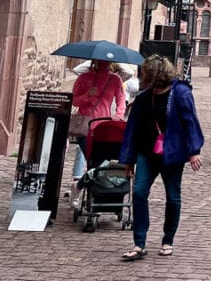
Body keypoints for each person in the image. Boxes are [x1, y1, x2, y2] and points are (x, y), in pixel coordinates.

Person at [119, 55, 203, 260]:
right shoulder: (144, 97)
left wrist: (194, 151)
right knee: (139, 193)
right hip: (146, 152)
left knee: (172, 196)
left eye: (146, 73)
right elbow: (133, 129)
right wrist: (128, 159)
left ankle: (168, 239)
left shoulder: (181, 94)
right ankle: (139, 243)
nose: (142, 76)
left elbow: (190, 121)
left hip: (172, 153)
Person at [70, 60, 126, 207]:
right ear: (95, 62)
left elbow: (121, 100)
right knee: (92, 163)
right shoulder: (84, 78)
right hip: (85, 127)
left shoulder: (115, 79)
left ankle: (85, 190)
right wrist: (87, 95)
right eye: (102, 62)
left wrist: (118, 115)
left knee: (101, 164)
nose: (105, 64)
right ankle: (90, 196)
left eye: (108, 62)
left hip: (104, 128)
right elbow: (74, 100)